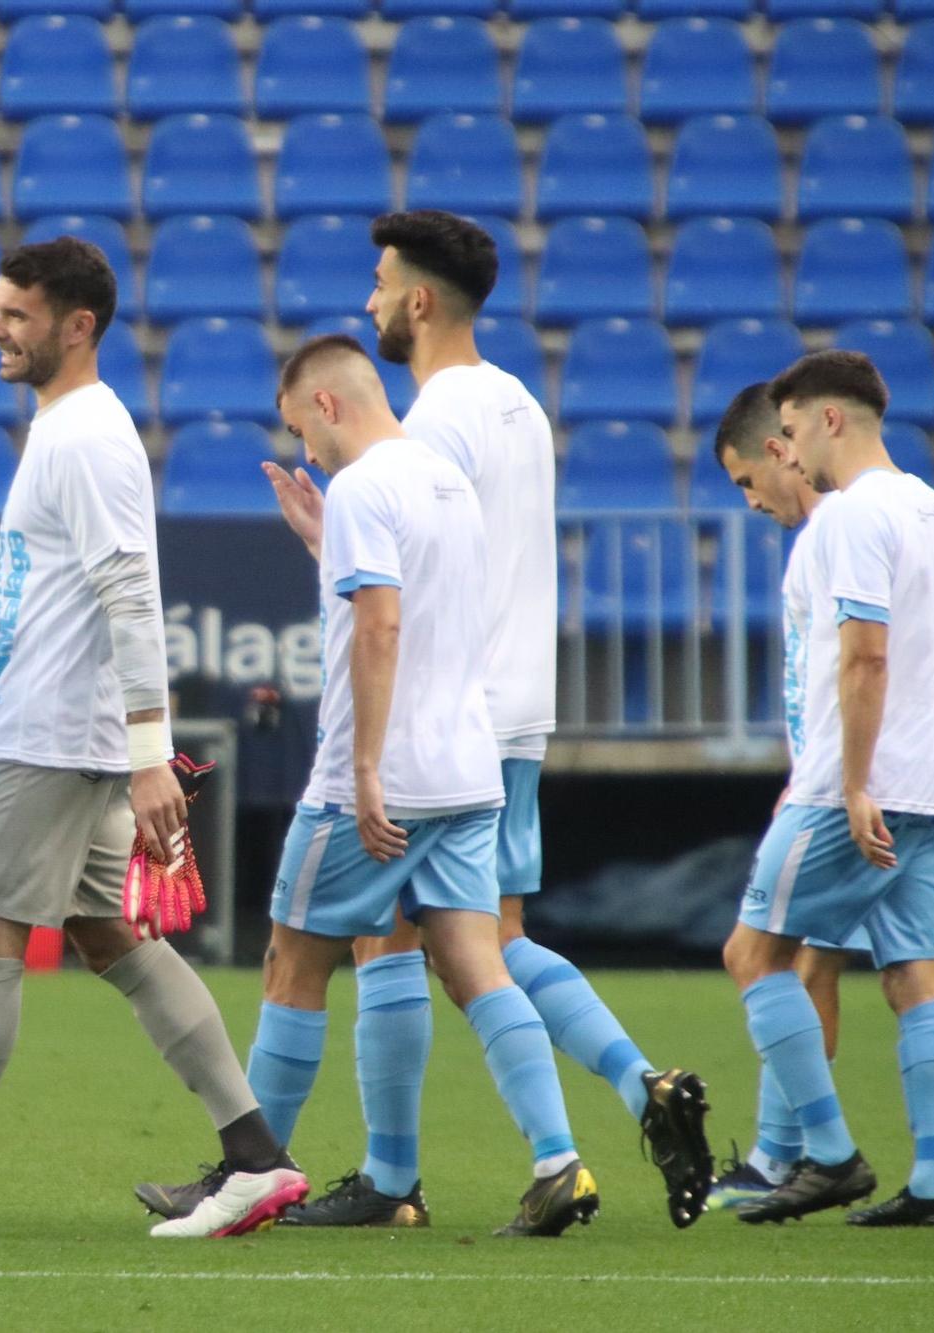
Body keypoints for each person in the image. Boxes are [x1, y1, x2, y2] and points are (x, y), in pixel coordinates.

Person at [143, 211, 711, 1229]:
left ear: (416, 299)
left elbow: (395, 603)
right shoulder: (520, 408)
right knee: (475, 942)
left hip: (432, 714)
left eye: (376, 284)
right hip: (505, 724)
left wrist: (340, 571)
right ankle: (615, 1102)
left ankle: (380, 1175)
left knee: (377, 948)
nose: (367, 303)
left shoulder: (423, 428)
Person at [0, 237, 307, 1241]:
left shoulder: (83, 438)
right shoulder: (65, 430)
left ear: (76, 325)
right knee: (111, 935)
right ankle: (254, 1157)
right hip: (57, 730)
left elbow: (129, 593)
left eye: (14, 313)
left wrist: (148, 749)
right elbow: (19, 596)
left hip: (45, 737)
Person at [236, 334, 600, 1235]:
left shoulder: (362, 485)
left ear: (325, 405)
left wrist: (363, 766)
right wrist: (328, 544)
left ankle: (246, 1175)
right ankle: (559, 1160)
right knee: (478, 966)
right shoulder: (446, 483)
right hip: (468, 768)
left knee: (292, 960)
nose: (304, 454)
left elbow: (384, 629)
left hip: (384, 773)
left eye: (299, 430)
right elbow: (435, 609)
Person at [713, 371, 934, 1227]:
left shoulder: (849, 517)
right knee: (920, 974)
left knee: (754, 956)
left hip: (856, 784)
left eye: (793, 428)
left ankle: (826, 1156)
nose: (787, 448)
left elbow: (861, 657)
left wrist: (850, 781)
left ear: (829, 419)